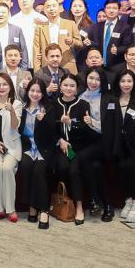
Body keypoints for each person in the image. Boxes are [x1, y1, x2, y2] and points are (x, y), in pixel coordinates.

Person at [103, 70, 135, 223]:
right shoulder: (111, 100)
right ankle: (128, 200)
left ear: (134, 83)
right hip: (117, 144)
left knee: (131, 166)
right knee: (121, 167)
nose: (126, 84)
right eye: (123, 81)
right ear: (118, 82)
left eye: (129, 81)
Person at [45, 74, 88, 224]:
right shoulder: (53, 104)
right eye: (65, 85)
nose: (68, 88)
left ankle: (79, 206)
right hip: (61, 147)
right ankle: (65, 201)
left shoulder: (83, 104)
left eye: (72, 86)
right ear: (60, 87)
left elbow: (86, 129)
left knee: (74, 171)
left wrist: (71, 123)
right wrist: (60, 140)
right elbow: (49, 128)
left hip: (78, 148)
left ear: (76, 89)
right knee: (62, 167)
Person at [17, 79, 55, 228]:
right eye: (32, 90)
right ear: (27, 92)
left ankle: (44, 210)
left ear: (43, 93)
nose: (35, 94)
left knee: (39, 171)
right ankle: (32, 206)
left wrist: (44, 121)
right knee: (26, 166)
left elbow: (53, 133)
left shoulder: (48, 108)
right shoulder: (22, 108)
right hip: (27, 147)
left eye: (39, 91)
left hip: (44, 148)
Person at [0, 73, 23, 222]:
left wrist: (12, 111)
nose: (1, 87)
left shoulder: (17, 103)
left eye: (5, 84)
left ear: (10, 87)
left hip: (12, 146)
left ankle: (11, 208)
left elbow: (15, 126)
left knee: (7, 169)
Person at [77, 68, 112, 220]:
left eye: (98, 79)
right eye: (91, 78)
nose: (93, 82)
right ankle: (107, 205)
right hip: (86, 141)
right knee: (96, 166)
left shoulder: (108, 98)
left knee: (83, 157)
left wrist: (93, 122)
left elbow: (110, 126)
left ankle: (93, 199)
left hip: (103, 141)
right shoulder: (80, 96)